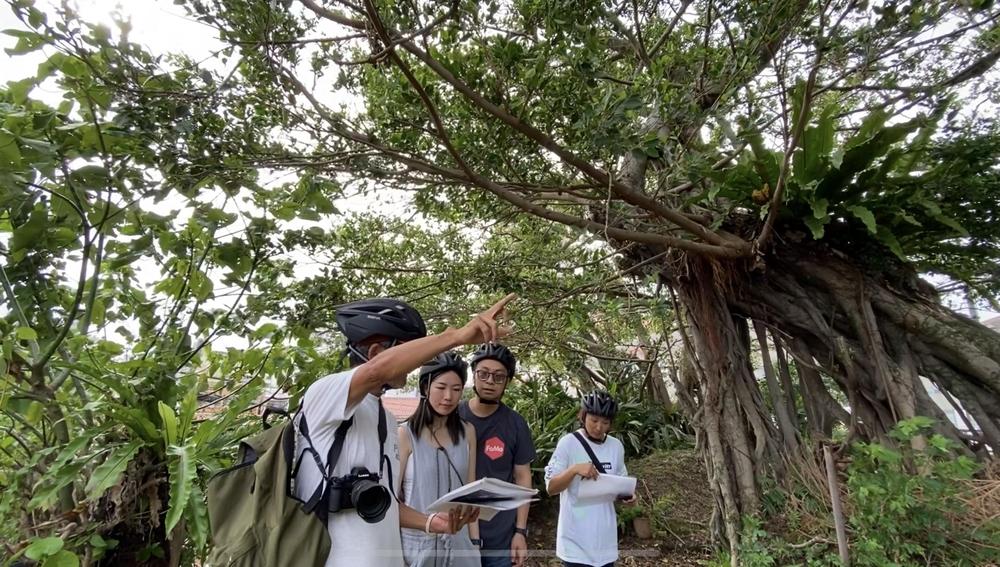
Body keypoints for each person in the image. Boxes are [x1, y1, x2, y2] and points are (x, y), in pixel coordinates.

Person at [293, 295, 514, 567]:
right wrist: (455, 336)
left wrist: (432, 522)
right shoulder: (324, 395)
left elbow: (388, 503)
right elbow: (374, 372)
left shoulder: (385, 417)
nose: (416, 362)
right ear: (376, 353)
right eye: (409, 351)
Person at [400, 352, 481, 566]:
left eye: (456, 390)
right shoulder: (404, 434)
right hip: (416, 550)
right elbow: (391, 501)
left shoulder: (468, 432)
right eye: (441, 387)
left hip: (461, 549)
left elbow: (471, 493)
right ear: (425, 388)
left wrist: (475, 544)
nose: (448, 397)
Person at [457, 343, 535, 567]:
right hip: (456, 531)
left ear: (507, 382)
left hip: (501, 537)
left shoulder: (515, 423)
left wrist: (520, 531)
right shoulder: (453, 416)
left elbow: (522, 478)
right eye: (484, 374)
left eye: (498, 377)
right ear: (474, 375)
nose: (490, 381)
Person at [544, 391, 634, 567]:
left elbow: (621, 483)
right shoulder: (568, 443)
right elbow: (551, 488)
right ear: (582, 416)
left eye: (605, 422)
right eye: (594, 420)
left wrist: (628, 496)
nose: (599, 427)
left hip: (606, 544)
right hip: (574, 544)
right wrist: (574, 470)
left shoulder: (616, 446)